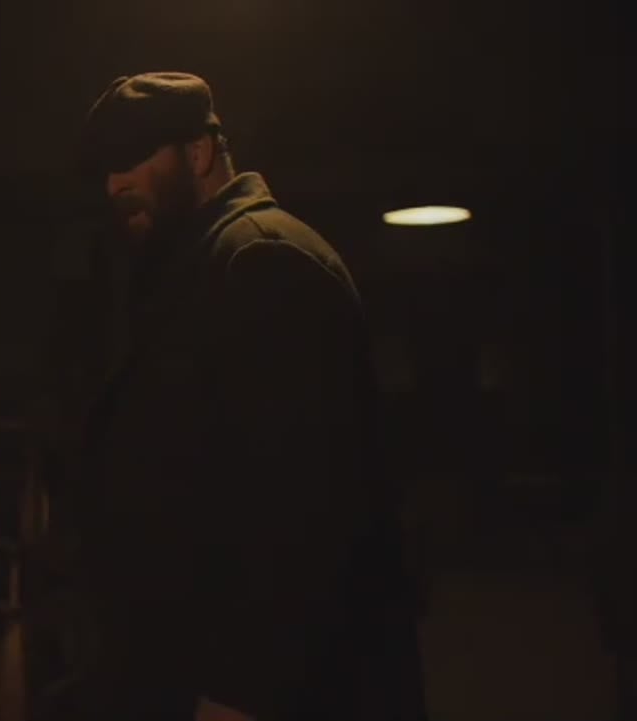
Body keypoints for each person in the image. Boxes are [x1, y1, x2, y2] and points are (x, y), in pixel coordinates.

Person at [70, 72, 428, 721]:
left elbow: (301, 508)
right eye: (107, 168)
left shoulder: (260, 259)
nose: (115, 183)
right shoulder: (198, 266)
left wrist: (241, 691)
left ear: (199, 152)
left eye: (133, 158)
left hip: (274, 690)